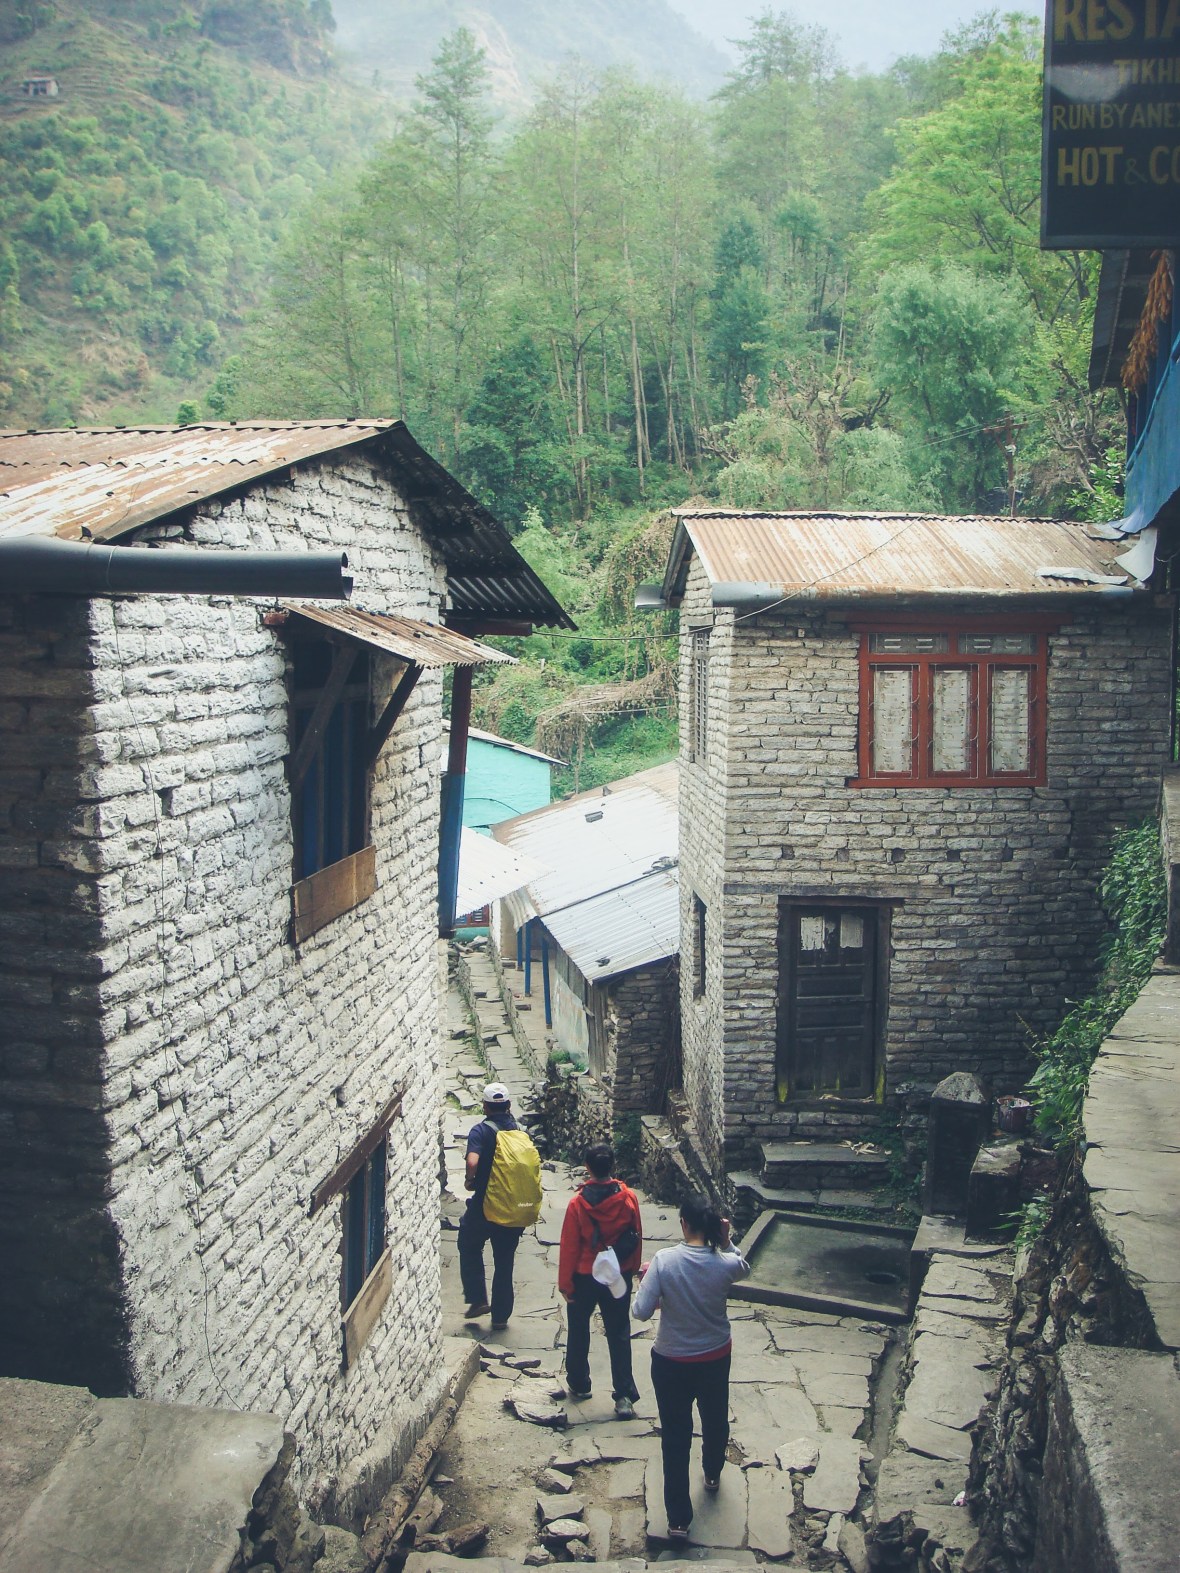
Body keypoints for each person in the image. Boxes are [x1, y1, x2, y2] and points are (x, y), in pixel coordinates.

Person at [631, 1193, 750, 1542]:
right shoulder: (724, 1262)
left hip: (670, 1361)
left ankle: (679, 1520)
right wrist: (727, 1242)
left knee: (675, 1436)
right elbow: (743, 1267)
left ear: (683, 1224)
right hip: (714, 1357)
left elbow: (640, 1311)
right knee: (715, 1420)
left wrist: (647, 1282)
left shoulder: (664, 1262)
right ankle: (712, 1473)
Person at [558, 1142, 643, 1418]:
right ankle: (624, 1396)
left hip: (584, 1275)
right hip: (616, 1275)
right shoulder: (628, 1198)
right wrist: (629, 1271)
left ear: (587, 1168)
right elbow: (636, 1236)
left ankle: (580, 1383)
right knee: (619, 1332)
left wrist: (566, 1284)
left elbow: (570, 1246)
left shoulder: (577, 1204)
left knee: (579, 1328)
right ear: (613, 1166)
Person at [458, 1083, 525, 1330]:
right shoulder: (520, 1131)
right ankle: (500, 1317)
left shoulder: (481, 1131)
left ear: (485, 1106)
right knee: (504, 1261)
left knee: (468, 1243)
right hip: (512, 1207)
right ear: (508, 1106)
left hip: (484, 1206)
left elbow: (473, 1161)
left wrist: (469, 1180)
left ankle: (477, 1299)